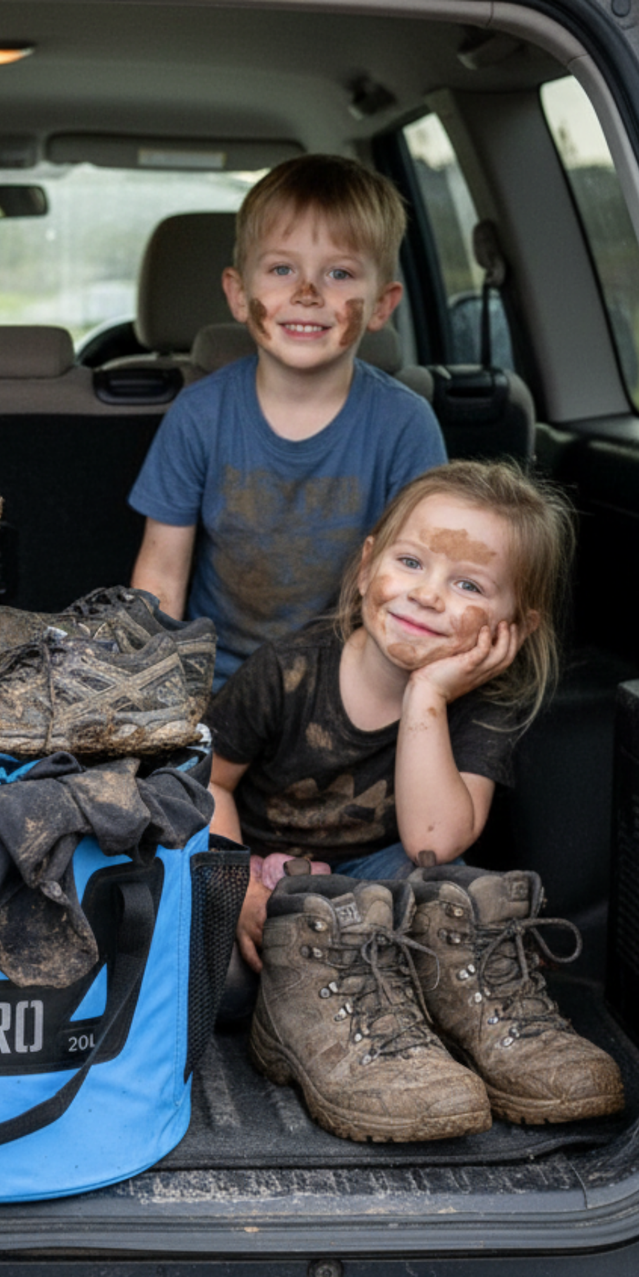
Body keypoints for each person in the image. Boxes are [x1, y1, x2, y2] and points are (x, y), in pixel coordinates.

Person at [205, 459, 575, 972]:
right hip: (255, 868)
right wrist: (238, 888)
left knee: (449, 885)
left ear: (514, 629)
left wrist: (427, 694)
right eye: (411, 562)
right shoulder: (286, 672)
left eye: (469, 586)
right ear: (365, 569)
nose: (426, 595)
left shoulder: (487, 705)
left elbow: (431, 843)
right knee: (220, 983)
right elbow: (211, 783)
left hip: (374, 878)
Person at [128, 154, 447, 690]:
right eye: (282, 269)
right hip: (218, 680)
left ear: (380, 305)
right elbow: (161, 577)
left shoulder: (405, 424)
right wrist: (153, 690)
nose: (307, 292)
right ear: (237, 293)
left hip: (351, 683)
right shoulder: (200, 415)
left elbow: (421, 587)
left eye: (339, 273)